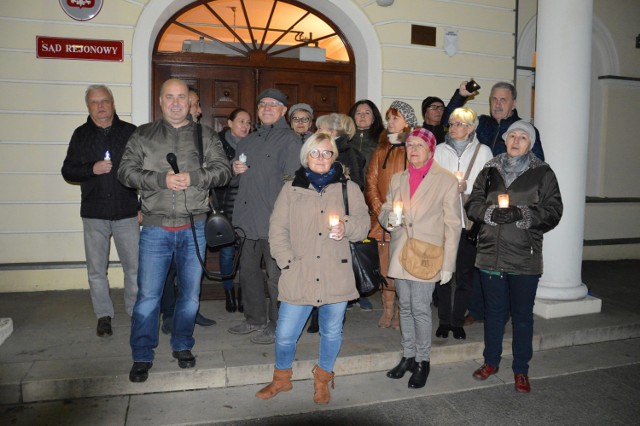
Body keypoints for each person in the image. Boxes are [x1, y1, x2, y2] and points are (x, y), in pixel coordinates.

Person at [118, 78, 231, 382]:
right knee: (148, 297)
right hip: (155, 229)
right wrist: (160, 180)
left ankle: (182, 344)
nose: (176, 102)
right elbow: (125, 171)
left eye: (182, 97)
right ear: (160, 100)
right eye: (170, 97)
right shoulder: (143, 135)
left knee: (191, 296)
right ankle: (142, 354)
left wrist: (193, 177)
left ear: (190, 101)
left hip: (194, 225)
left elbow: (224, 170)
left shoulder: (204, 134)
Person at [256, 132, 370, 404]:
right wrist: (286, 263)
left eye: (327, 152)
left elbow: (363, 224)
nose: (321, 158)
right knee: (285, 334)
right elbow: (277, 229)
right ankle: (282, 379)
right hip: (300, 272)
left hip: (336, 272)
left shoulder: (348, 188)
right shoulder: (291, 189)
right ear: (306, 156)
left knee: (332, 331)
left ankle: (323, 378)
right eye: (315, 152)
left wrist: (347, 227)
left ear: (334, 157)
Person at [465, 120, 562, 393]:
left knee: (521, 317)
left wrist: (523, 214)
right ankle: (491, 362)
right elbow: (472, 203)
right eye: (512, 136)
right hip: (490, 255)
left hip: (524, 257)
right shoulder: (489, 170)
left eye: (522, 137)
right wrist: (488, 213)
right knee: (494, 314)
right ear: (505, 140)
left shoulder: (543, 173)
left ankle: (521, 369)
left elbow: (554, 211)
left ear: (530, 143)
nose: (516, 141)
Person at [380, 127, 461, 389]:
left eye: (419, 145)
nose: (412, 150)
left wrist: (448, 264)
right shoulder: (398, 178)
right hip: (402, 251)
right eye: (409, 145)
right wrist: (388, 219)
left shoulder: (445, 179)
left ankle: (423, 361)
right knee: (405, 306)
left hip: (428, 254)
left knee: (420, 309)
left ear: (430, 149)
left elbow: (452, 224)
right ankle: (408, 355)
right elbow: (385, 208)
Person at [61, 84, 139, 338]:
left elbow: (144, 169)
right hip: (94, 212)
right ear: (88, 107)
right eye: (95, 102)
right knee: (96, 270)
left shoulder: (130, 132)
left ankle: (135, 310)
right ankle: (103, 315)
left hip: (127, 210)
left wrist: (143, 205)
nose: (101, 106)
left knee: (135, 267)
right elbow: (68, 171)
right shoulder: (81, 134)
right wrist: (90, 169)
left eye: (105, 101)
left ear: (113, 103)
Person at [227, 88, 301, 345]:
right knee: (247, 272)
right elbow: (235, 178)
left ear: (283, 110)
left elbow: (294, 184)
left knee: (276, 277)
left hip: (274, 221)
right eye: (262, 105)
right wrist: (233, 170)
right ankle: (254, 319)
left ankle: (278, 324)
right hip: (248, 220)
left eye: (273, 105)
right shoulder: (247, 140)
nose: (267, 108)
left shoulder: (290, 140)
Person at [160, 88, 216, 334]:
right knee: (168, 269)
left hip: (195, 212)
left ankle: (190, 312)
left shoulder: (203, 137)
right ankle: (169, 314)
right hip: (167, 216)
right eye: (196, 104)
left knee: (189, 271)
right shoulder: (163, 135)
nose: (200, 110)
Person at [433, 107, 493, 340]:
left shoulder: (484, 152)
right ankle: (444, 320)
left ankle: (457, 321)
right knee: (444, 272)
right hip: (444, 220)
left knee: (465, 274)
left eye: (459, 123)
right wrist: (449, 188)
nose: (454, 127)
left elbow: (490, 185)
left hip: (469, 222)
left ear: (471, 128)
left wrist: (466, 187)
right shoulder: (439, 150)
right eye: (452, 123)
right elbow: (432, 182)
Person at [365, 100, 418, 328]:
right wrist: (379, 209)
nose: (390, 122)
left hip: (408, 220)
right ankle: (387, 310)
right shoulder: (381, 149)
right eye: (389, 118)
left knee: (403, 267)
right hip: (383, 219)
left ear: (407, 122)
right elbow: (371, 181)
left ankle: (402, 312)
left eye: (395, 118)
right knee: (385, 267)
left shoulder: (416, 149)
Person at [214, 107, 252, 313]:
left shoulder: (254, 143)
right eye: (241, 122)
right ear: (229, 123)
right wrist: (231, 168)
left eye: (248, 123)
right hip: (226, 204)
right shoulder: (217, 144)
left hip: (249, 206)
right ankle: (228, 291)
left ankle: (244, 293)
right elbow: (214, 172)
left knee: (248, 253)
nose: (246, 126)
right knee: (227, 251)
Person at [460, 81, 545, 160]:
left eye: (503, 100)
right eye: (494, 99)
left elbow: (538, 167)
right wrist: (460, 96)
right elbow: (450, 122)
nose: (497, 104)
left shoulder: (525, 130)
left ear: (513, 104)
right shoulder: (480, 123)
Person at [316, 113, 365, 190]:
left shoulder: (345, 151)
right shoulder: (328, 149)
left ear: (332, 132)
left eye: (319, 129)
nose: (316, 133)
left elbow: (356, 184)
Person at [348, 99, 385, 175]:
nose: (362, 116)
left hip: (372, 185)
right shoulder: (345, 139)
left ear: (373, 119)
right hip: (348, 185)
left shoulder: (383, 139)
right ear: (353, 118)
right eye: (358, 113)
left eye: (367, 113)